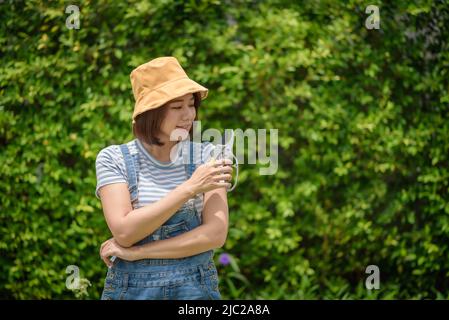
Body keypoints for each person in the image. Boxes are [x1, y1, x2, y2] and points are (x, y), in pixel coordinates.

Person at [95, 57, 233, 300]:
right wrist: (191, 187)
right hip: (133, 291)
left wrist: (139, 253)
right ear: (151, 112)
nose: (188, 114)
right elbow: (125, 232)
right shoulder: (114, 159)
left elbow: (215, 234)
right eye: (177, 107)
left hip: (195, 290)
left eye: (191, 104)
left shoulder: (209, 157)